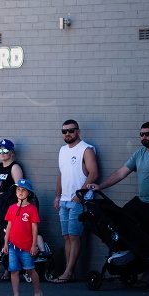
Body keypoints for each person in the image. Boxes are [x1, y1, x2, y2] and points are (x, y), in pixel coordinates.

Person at [91, 122, 149, 243]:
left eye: (148, 134)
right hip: (141, 202)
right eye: (142, 134)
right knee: (120, 221)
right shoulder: (139, 153)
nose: (144, 137)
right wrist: (100, 186)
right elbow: (121, 173)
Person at [51, 119, 98, 283]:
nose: (67, 134)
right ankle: (68, 272)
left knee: (74, 236)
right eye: (64, 131)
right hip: (64, 200)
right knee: (66, 237)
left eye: (71, 130)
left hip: (79, 201)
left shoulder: (86, 149)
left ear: (78, 131)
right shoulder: (62, 150)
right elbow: (61, 174)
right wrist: (57, 195)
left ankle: (68, 272)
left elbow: (93, 173)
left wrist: (80, 194)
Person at [2, 179, 44, 296]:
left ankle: (38, 292)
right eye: (18, 189)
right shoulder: (11, 208)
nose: (20, 192)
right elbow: (8, 227)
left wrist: (34, 245)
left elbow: (35, 228)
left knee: (30, 269)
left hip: (26, 246)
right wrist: (5, 243)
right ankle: (16, 295)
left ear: (28, 193)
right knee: (14, 271)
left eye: (23, 190)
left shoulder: (32, 209)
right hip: (13, 246)